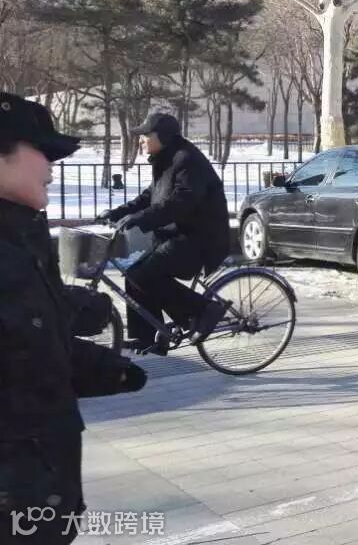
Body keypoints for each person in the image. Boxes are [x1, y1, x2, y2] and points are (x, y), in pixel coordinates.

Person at [0, 92, 148, 545]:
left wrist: (104, 369)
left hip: (40, 493)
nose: (52, 167)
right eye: (43, 151)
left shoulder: (22, 236)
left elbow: (27, 349)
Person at [99, 113, 230, 355]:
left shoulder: (187, 160)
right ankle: (146, 336)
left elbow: (181, 202)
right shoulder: (166, 159)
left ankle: (205, 310)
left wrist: (141, 218)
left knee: (146, 274)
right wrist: (118, 212)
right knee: (134, 275)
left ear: (163, 137)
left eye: (146, 135)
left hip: (200, 238)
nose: (141, 140)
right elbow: (150, 196)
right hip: (177, 235)